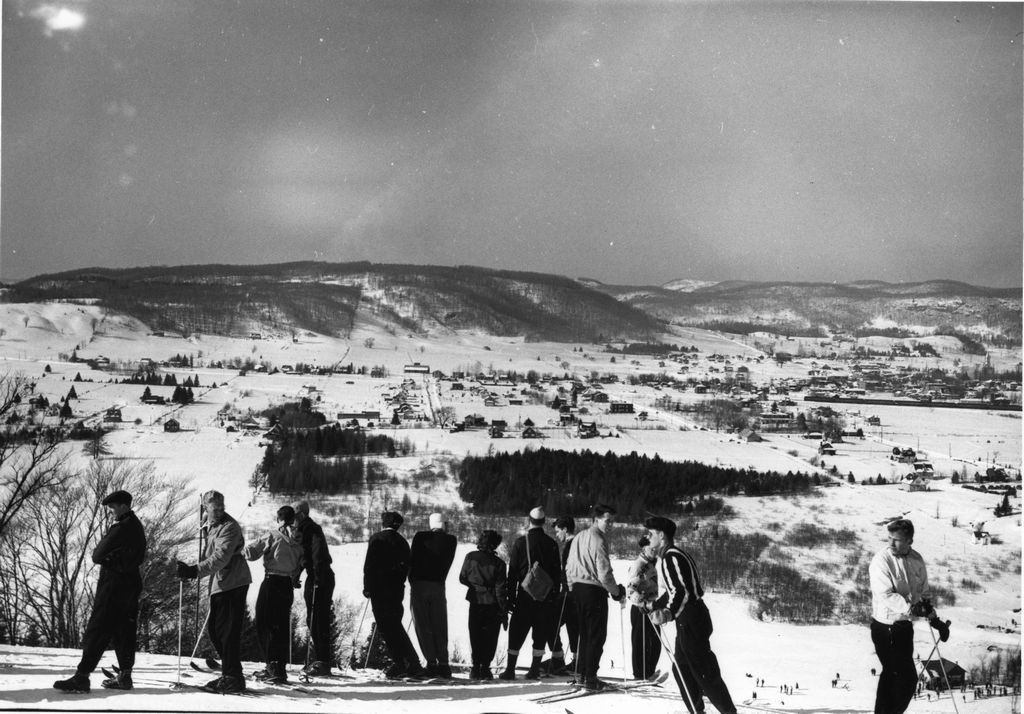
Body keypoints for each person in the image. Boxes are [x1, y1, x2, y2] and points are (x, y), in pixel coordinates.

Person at [53, 490, 147, 693]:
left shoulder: (122, 527)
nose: (111, 511)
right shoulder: (136, 526)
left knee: (98, 629)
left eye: (113, 507)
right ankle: (124, 676)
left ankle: (82, 677)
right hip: (130, 586)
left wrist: (111, 560)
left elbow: (97, 555)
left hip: (114, 586)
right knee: (124, 631)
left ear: (123, 505)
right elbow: (137, 557)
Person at [645, 515, 736, 714]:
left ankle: (729, 712)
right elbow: (672, 592)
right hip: (688, 619)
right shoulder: (669, 556)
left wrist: (667, 613)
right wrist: (651, 605)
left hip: (692, 618)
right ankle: (697, 710)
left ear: (662, 535)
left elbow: (682, 593)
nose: (647, 537)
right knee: (682, 669)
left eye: (651, 534)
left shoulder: (672, 557)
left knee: (704, 671)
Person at [176, 490, 252, 693]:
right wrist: (194, 570)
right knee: (216, 631)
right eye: (214, 508)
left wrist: (194, 571)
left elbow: (221, 557)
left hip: (233, 581)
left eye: (221, 507)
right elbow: (209, 553)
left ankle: (233, 676)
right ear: (206, 508)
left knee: (227, 632)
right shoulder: (209, 524)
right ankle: (231, 672)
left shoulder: (229, 527)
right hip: (220, 582)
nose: (219, 510)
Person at [869, 518, 946, 714]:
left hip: (903, 629)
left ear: (909, 541)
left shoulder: (916, 560)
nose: (891, 543)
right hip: (886, 627)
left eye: (896, 540)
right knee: (904, 679)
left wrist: (935, 619)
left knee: (894, 678)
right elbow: (885, 595)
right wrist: (911, 609)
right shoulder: (881, 561)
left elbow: (924, 593)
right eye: (889, 538)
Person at [565, 504, 626, 691]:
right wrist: (616, 592)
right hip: (593, 592)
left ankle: (583, 674)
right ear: (596, 519)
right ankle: (590, 677)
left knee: (585, 634)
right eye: (608, 520)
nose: (611, 524)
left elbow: (568, 566)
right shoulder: (598, 540)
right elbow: (604, 573)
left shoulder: (578, 537)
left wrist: (570, 586)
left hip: (577, 590)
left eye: (612, 521)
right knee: (596, 636)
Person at [499, 506, 562, 681]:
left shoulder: (521, 543)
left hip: (524, 598)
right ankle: (534, 670)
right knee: (540, 634)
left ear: (529, 521)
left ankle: (510, 670)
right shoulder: (552, 544)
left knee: (516, 633)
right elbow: (557, 574)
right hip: (545, 598)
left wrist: (510, 597)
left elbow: (512, 574)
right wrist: (554, 595)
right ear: (544, 522)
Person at [243, 505, 304, 684]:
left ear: (279, 518)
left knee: (264, 622)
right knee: (281, 625)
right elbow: (301, 561)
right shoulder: (299, 538)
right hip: (287, 584)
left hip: (271, 581)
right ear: (293, 519)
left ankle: (271, 665)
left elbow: (251, 553)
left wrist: (236, 550)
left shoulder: (273, 535)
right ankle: (280, 667)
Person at [363, 511, 425, 679]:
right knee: (395, 624)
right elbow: (406, 567)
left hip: (379, 589)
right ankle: (409, 662)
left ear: (384, 523)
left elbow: (370, 565)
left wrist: (367, 586)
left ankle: (406, 663)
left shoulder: (377, 538)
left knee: (387, 627)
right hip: (397, 589)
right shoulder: (403, 542)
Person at [410, 512, 458, 677]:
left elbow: (412, 558)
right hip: (438, 585)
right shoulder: (451, 541)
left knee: (422, 625)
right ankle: (444, 663)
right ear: (443, 524)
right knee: (439, 623)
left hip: (418, 585)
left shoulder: (420, 537)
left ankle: (431, 663)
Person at [293, 500, 336, 676]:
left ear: (301, 514)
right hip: (316, 576)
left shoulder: (311, 528)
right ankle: (321, 659)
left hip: (321, 576)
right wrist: (297, 575)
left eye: (295, 516)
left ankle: (323, 661)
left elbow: (318, 555)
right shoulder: (303, 529)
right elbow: (304, 556)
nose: (293, 520)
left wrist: (317, 577)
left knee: (318, 619)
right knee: (313, 619)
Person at [458, 529, 508, 680]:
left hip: (475, 601)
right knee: (490, 636)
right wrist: (504, 610)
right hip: (492, 604)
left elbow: (462, 578)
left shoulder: (470, 557)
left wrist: (475, 587)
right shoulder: (499, 563)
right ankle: (485, 668)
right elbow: (500, 590)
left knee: (475, 634)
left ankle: (475, 667)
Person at [544, 515, 578, 675]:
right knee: (573, 625)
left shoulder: (571, 545)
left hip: (569, 592)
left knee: (552, 623)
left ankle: (559, 659)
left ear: (565, 529)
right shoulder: (575, 543)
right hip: (573, 592)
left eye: (558, 531)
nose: (557, 535)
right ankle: (577, 660)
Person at [626, 535, 661, 680]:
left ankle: (649, 672)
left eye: (656, 549)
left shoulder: (651, 563)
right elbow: (630, 591)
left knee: (655, 642)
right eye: (652, 548)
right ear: (644, 547)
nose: (654, 551)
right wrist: (641, 603)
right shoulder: (639, 565)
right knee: (640, 642)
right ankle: (640, 675)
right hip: (641, 608)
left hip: (651, 607)